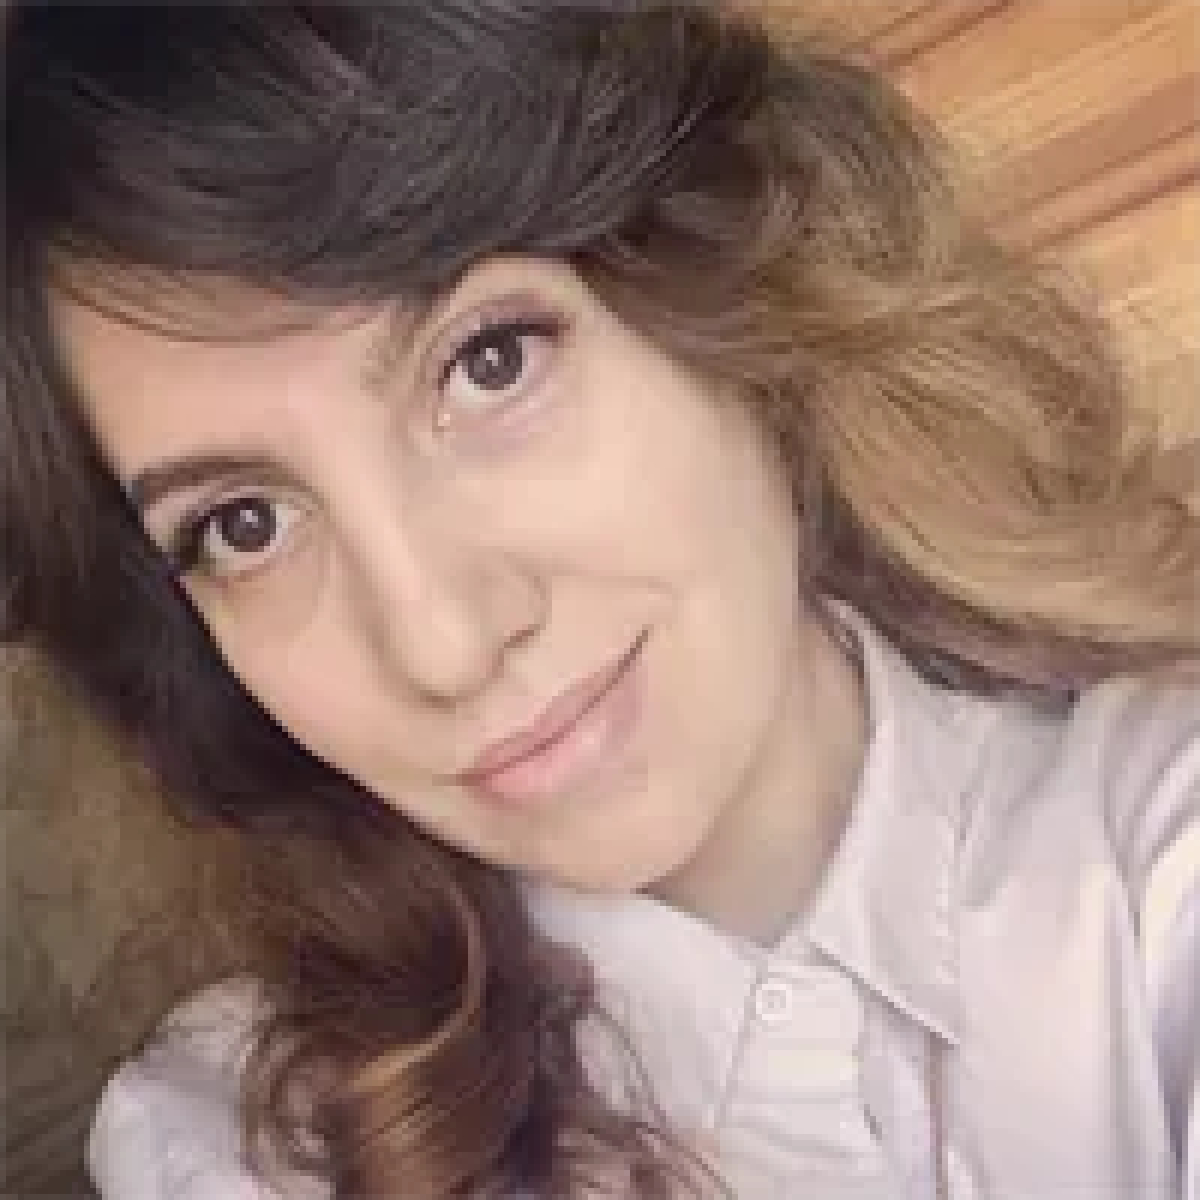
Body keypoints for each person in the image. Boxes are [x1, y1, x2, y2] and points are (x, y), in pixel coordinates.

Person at [4, 2, 1198, 1197]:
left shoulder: (1159, 861)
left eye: (489, 361)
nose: (440, 644)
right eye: (245, 526)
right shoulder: (239, 1141)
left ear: (730, 271)